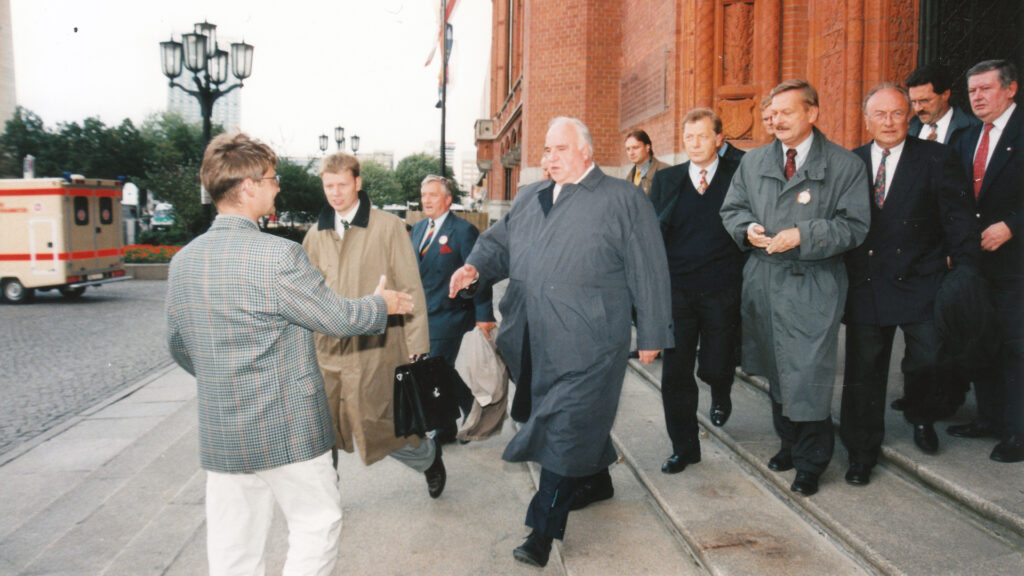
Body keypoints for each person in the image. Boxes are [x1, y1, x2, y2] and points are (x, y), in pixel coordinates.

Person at [165, 132, 414, 575]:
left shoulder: (183, 261)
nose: (277, 186)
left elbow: (180, 347)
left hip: (223, 429)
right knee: (317, 524)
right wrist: (383, 304)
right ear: (247, 189)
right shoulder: (277, 257)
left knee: (232, 546)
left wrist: (226, 375)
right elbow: (338, 318)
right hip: (288, 428)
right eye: (271, 179)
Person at [449, 117, 673, 567]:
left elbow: (649, 269)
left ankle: (541, 532)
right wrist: (475, 269)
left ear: (585, 152)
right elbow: (499, 244)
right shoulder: (530, 196)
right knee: (556, 417)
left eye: (559, 149)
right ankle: (597, 480)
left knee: (565, 428)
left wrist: (652, 333)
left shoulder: (622, 199)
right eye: (546, 151)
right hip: (530, 334)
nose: (549, 158)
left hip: (591, 338)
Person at [720, 79, 871, 496]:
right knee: (776, 368)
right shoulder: (753, 163)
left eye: (787, 112)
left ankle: (811, 461)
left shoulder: (844, 166)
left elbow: (854, 226)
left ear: (812, 113)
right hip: (764, 280)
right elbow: (732, 208)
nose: (777, 120)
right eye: (773, 113)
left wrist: (803, 235)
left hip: (814, 284)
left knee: (807, 373)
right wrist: (745, 228)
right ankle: (788, 443)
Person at [840, 84, 978, 485]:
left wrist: (965, 269)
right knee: (864, 372)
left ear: (910, 117)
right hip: (866, 282)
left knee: (928, 358)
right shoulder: (851, 163)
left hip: (922, 279)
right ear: (866, 120)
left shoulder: (936, 157)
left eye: (897, 113)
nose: (888, 122)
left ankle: (921, 417)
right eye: (879, 114)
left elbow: (958, 217)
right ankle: (860, 452)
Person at [302, 152, 447, 496]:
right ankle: (326, 495)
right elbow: (305, 297)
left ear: (357, 183)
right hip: (327, 350)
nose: (335, 193)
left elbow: (410, 287)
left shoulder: (388, 227)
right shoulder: (315, 236)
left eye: (342, 184)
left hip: (376, 348)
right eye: (328, 186)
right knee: (326, 428)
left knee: (383, 427)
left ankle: (428, 458)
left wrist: (417, 347)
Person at [649, 108, 745, 475]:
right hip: (678, 292)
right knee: (675, 374)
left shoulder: (737, 177)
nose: (694, 144)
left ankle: (721, 390)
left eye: (703, 136)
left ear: (720, 139)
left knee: (715, 366)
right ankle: (684, 447)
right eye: (688, 137)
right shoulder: (668, 180)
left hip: (722, 290)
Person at [948, 59, 1023, 463]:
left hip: (1016, 262)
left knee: (1016, 347)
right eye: (972, 90)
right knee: (982, 341)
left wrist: (1013, 226)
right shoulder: (965, 137)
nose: (977, 97)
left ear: (1010, 89)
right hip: (974, 262)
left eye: (986, 89)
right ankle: (990, 418)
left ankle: (1018, 431)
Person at [412, 174, 496, 443]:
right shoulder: (417, 229)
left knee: (436, 367)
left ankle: (451, 423)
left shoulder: (463, 231)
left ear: (447, 200)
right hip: (425, 314)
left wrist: (484, 315)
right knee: (440, 370)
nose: (426, 200)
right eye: (423, 195)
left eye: (433, 195)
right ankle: (462, 414)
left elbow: (477, 274)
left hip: (452, 312)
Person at [906, 62, 980, 148]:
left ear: (945, 95)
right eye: (914, 102)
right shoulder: (908, 127)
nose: (918, 108)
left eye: (924, 101)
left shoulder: (973, 128)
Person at [624, 129, 670, 195]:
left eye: (635, 147)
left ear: (647, 147)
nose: (631, 153)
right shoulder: (629, 178)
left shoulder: (665, 171)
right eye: (628, 149)